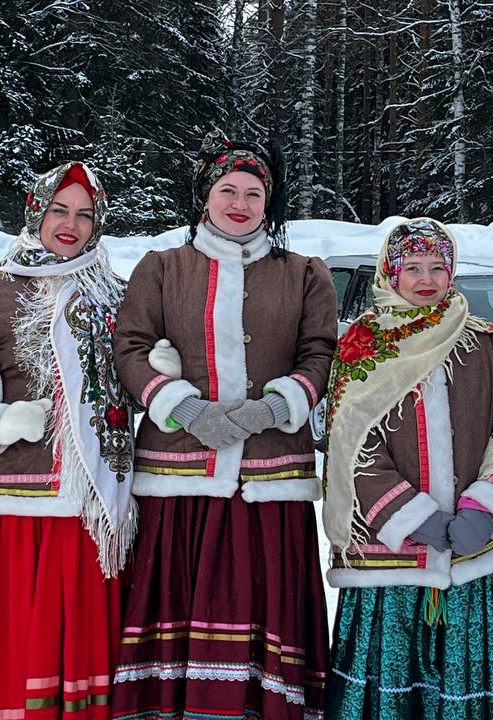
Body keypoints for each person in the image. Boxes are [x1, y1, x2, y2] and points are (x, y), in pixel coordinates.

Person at [110, 131, 337, 720]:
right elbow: (129, 349)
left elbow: (320, 354)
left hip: (269, 478)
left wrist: (272, 409)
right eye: (227, 190)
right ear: (203, 197)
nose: (240, 203)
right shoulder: (161, 269)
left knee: (265, 602)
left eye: (254, 193)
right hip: (178, 477)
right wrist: (187, 409)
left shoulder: (306, 274)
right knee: (178, 605)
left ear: (271, 202)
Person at [0, 161, 136, 719]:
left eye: (85, 214)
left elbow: (119, 387)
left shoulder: (115, 293)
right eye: (58, 210)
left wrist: (147, 372)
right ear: (35, 213)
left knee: (82, 633)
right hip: (17, 495)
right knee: (21, 634)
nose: (70, 224)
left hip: (93, 497)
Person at [321, 218, 493, 719]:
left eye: (438, 266)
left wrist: (486, 506)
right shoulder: (360, 347)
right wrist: (413, 516)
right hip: (387, 549)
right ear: (390, 272)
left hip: (470, 548)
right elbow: (350, 442)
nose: (426, 279)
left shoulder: (489, 344)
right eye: (412, 267)